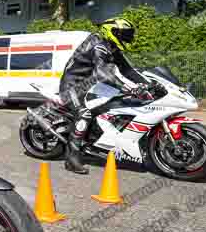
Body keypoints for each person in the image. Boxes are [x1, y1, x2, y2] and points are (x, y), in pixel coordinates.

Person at [57, 17, 152, 175]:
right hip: (73, 85)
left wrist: (148, 83)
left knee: (118, 104)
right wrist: (128, 87)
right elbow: (101, 73)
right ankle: (72, 158)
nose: (126, 37)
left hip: (91, 85)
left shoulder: (112, 47)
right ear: (111, 32)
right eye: (123, 34)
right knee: (83, 114)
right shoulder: (98, 45)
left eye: (127, 34)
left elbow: (128, 71)